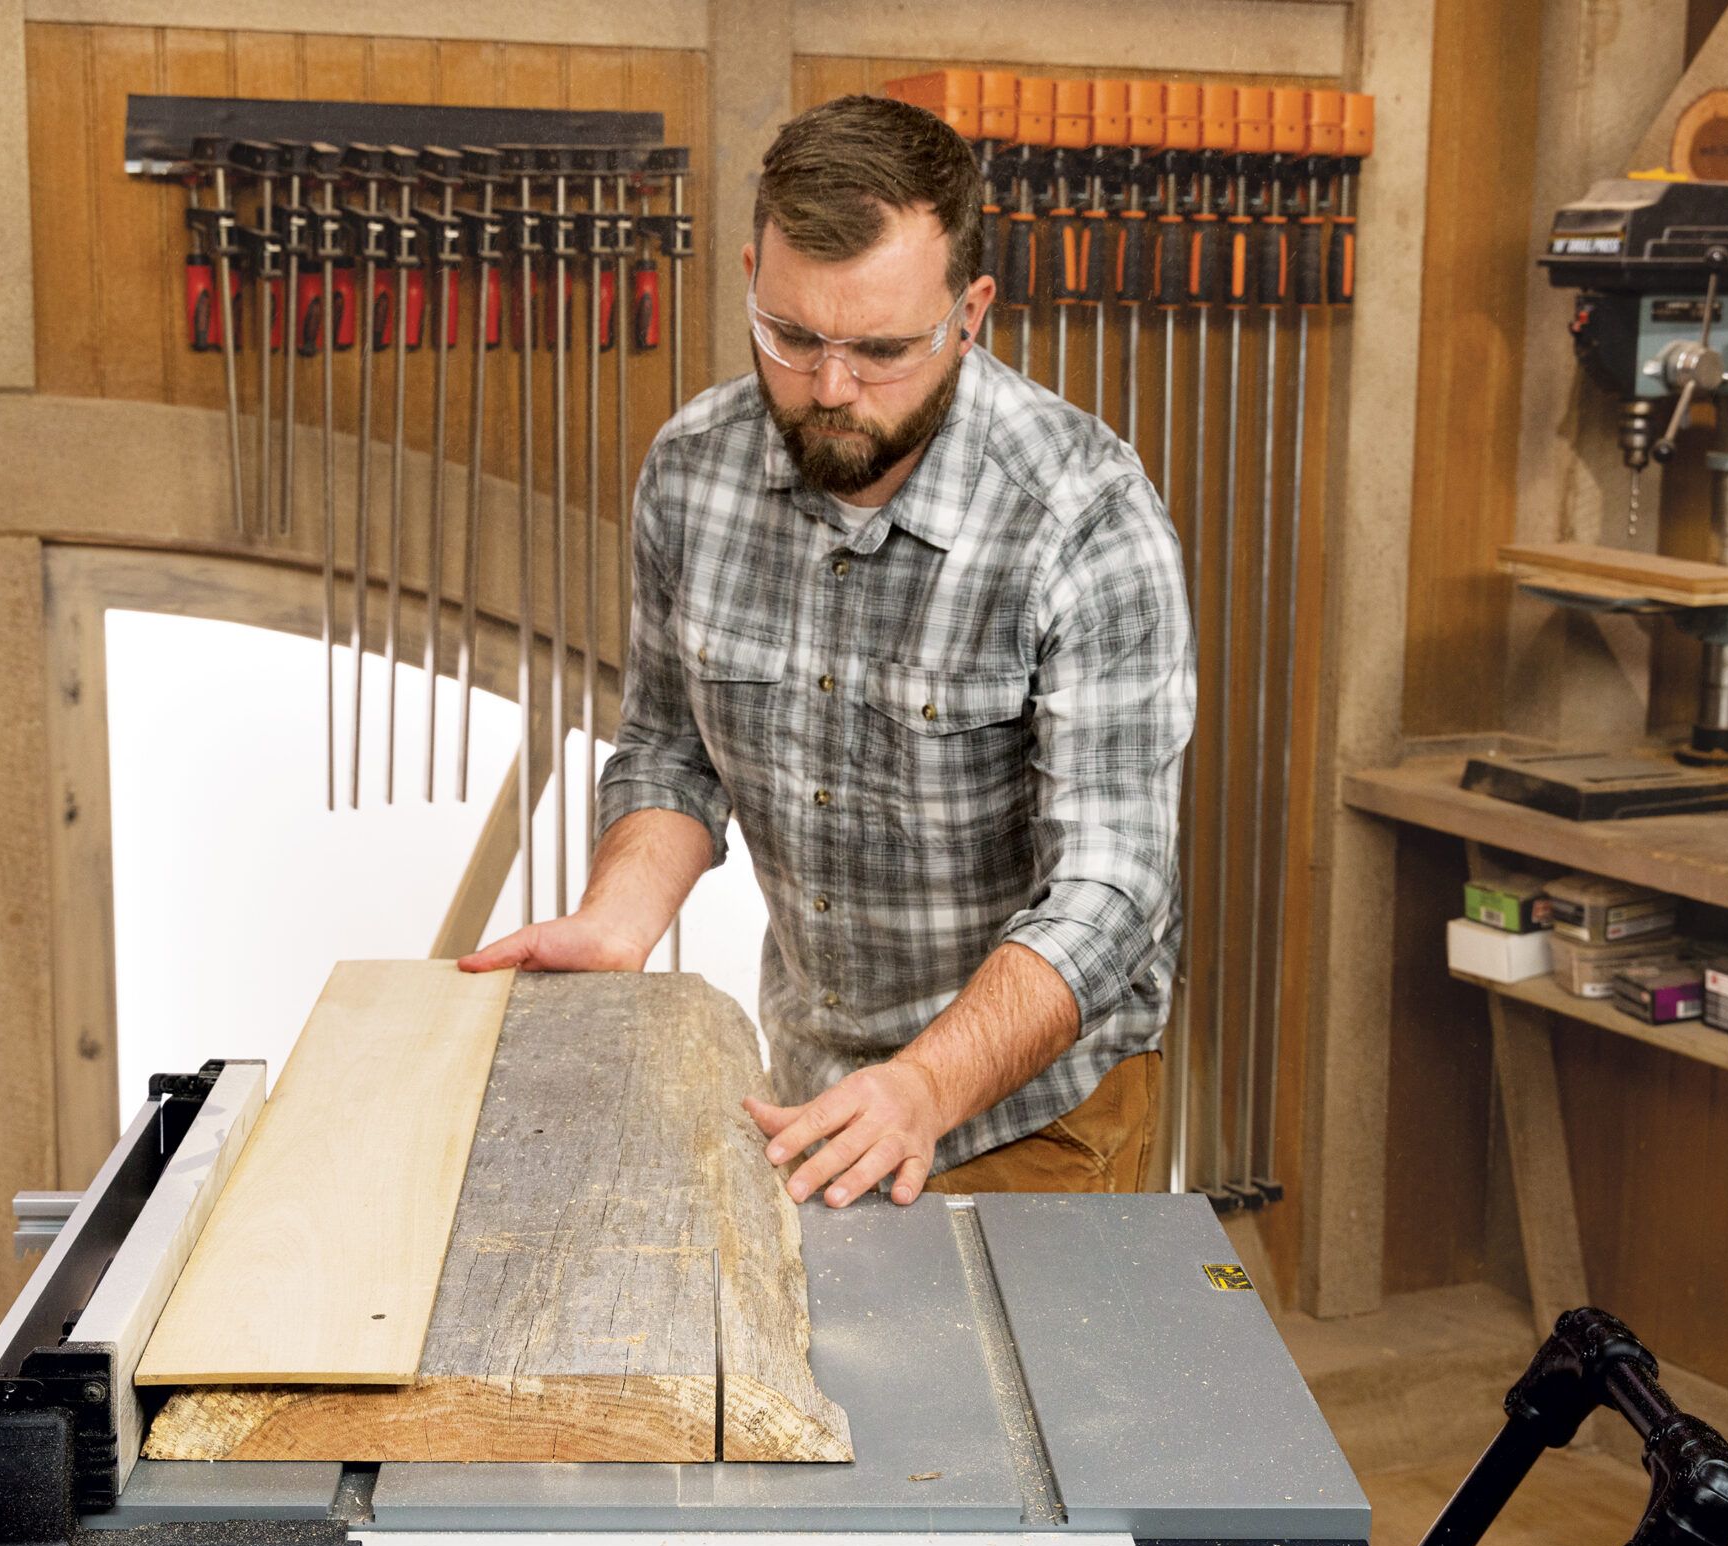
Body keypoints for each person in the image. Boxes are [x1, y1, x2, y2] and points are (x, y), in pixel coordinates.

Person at [461, 95, 1194, 1210]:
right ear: (753, 272)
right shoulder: (692, 472)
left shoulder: (1084, 518)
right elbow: (671, 753)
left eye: (884, 348)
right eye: (791, 336)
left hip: (1031, 1110)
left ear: (970, 311)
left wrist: (925, 1086)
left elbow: (1113, 884)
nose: (832, 387)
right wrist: (619, 920)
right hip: (808, 1081)